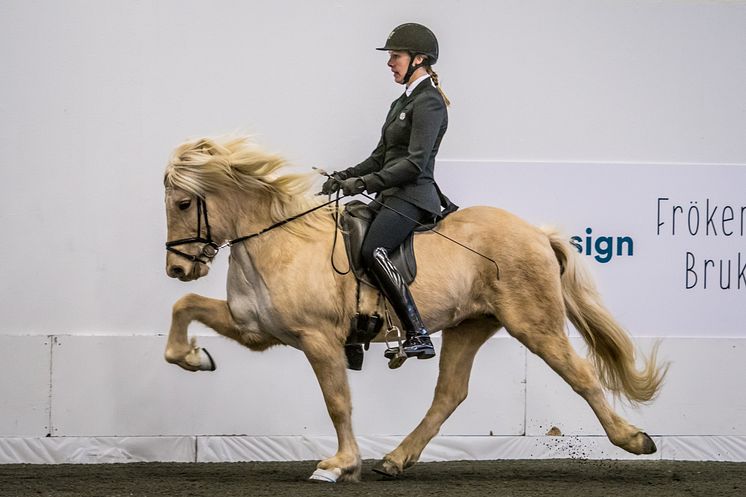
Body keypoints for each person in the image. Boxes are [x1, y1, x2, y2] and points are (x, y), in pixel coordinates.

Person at [322, 23, 455, 361]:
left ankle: (417, 332)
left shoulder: (430, 102)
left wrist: (364, 183)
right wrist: (346, 176)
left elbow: (413, 164)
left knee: (373, 250)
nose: (390, 62)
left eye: (395, 56)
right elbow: (381, 156)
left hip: (413, 197)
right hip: (390, 196)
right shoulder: (401, 102)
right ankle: (354, 331)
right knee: (343, 234)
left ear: (419, 59)